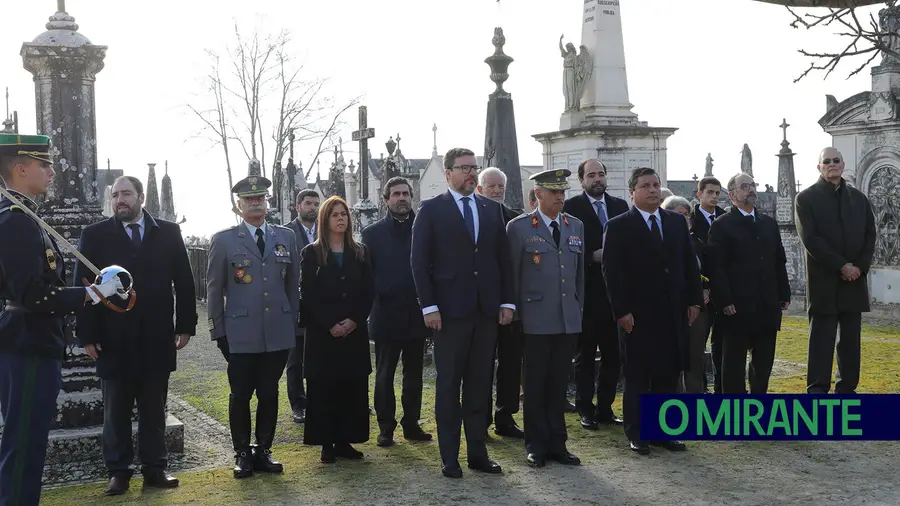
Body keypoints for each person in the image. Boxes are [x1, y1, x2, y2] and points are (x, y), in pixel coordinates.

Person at [0, 134, 122, 506]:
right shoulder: (17, 222)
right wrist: (93, 294)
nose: (53, 171)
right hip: (28, 345)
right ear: (20, 169)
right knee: (23, 445)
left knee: (28, 441)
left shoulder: (25, 216)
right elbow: (33, 295)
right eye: (44, 164)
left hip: (31, 343)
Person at [75, 175, 197, 495]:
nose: (120, 201)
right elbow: (84, 288)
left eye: (126, 194)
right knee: (115, 410)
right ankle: (118, 472)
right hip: (113, 339)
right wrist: (87, 335)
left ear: (141, 197)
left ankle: (155, 469)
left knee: (153, 407)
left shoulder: (168, 232)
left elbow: (184, 281)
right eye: (115, 196)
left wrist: (185, 325)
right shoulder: (95, 235)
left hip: (157, 336)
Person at [410, 147, 514, 478]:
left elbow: (503, 260)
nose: (471, 173)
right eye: (464, 168)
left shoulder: (490, 209)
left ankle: (477, 455)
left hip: (486, 312)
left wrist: (507, 302)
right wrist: (429, 307)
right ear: (449, 173)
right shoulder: (431, 210)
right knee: (449, 385)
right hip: (448, 314)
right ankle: (449, 457)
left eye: (474, 167)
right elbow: (418, 263)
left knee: (480, 384)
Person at [602, 167, 702, 455]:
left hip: (672, 312)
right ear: (632, 192)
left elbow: (688, 265)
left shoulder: (675, 222)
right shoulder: (619, 225)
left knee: (667, 375)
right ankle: (637, 433)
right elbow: (613, 273)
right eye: (645, 186)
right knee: (637, 375)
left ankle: (664, 432)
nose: (653, 190)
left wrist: (694, 301)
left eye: (656, 185)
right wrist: (621, 311)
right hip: (637, 314)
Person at [207, 172, 299, 478]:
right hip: (240, 333)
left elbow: (293, 285)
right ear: (239, 205)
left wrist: (292, 323)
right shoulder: (224, 241)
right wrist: (218, 331)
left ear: (267, 202)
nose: (255, 203)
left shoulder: (286, 237)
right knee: (241, 393)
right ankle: (243, 452)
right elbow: (214, 289)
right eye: (249, 199)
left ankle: (264, 451)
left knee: (270, 392)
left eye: (260, 198)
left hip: (277, 332)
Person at [507, 169, 584, 468]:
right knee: (536, 386)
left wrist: (579, 312)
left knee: (558, 386)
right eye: (554, 191)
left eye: (563, 191)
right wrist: (514, 316)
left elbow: (579, 280)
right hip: (535, 320)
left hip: (567, 320)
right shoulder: (520, 228)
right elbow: (513, 275)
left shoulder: (574, 225)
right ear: (538, 194)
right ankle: (536, 445)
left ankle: (558, 444)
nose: (560, 196)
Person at [795, 148, 876, 394]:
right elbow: (811, 239)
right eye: (826, 161)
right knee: (821, 340)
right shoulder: (806, 199)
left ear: (843, 164)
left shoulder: (859, 198)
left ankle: (847, 389)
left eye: (836, 160)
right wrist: (841, 265)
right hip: (824, 280)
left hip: (854, 281)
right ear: (818, 166)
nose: (832, 164)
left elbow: (870, 236)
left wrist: (859, 268)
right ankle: (817, 391)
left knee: (850, 342)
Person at [301, 196, 374, 462]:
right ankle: (326, 443)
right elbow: (308, 294)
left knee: (350, 387)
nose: (341, 218)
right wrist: (330, 323)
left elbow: (368, 291)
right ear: (324, 220)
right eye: (335, 214)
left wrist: (354, 320)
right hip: (324, 334)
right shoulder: (312, 253)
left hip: (353, 333)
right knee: (324, 388)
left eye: (344, 213)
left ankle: (345, 441)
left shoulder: (360, 252)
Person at [361, 177, 432, 447]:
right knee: (384, 375)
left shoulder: (424, 228)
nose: (401, 198)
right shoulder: (372, 234)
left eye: (405, 194)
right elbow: (368, 276)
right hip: (386, 316)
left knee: (414, 375)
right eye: (396, 194)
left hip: (417, 315)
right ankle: (385, 427)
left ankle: (412, 424)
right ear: (385, 199)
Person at [706, 173, 791, 394]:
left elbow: (779, 260)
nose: (751, 189)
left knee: (763, 364)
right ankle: (734, 414)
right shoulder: (722, 225)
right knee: (733, 366)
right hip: (737, 307)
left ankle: (758, 408)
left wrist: (784, 293)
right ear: (732, 195)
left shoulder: (768, 224)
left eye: (753, 185)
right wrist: (724, 300)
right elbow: (717, 267)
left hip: (766, 305)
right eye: (745, 186)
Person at [562, 159, 628, 429]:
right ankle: (585, 408)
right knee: (585, 356)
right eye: (591, 175)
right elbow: (567, 248)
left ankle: (605, 407)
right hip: (587, 295)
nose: (597, 179)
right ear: (582, 180)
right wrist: (592, 256)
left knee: (614, 356)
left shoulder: (620, 207)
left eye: (601, 174)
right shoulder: (571, 208)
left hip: (616, 294)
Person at [476, 166, 524, 439]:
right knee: (481, 366)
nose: (496, 191)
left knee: (510, 364)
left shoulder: (515, 221)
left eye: (500, 187)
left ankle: (505, 417)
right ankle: (479, 420)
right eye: (491, 186)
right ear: (480, 189)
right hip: (480, 306)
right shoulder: (471, 217)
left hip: (510, 306)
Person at [662, 196, 711, 394]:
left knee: (695, 357)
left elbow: (706, 269)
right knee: (671, 357)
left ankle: (695, 398)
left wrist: (706, 288)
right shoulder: (660, 240)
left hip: (696, 308)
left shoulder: (697, 242)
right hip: (669, 308)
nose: (684, 219)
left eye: (686, 215)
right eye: (678, 215)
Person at [284, 188, 320, 423]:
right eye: (308, 203)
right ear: (298, 207)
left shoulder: (326, 229)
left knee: (319, 355)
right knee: (295, 357)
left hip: (321, 302)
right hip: (295, 302)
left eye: (316, 204)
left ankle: (320, 400)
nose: (313, 208)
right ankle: (299, 404)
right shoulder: (286, 233)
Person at [691, 176, 726, 393]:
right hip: (700, 293)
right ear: (700, 194)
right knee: (697, 345)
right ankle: (700, 390)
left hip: (723, 293)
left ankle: (722, 389)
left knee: (722, 345)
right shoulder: (690, 220)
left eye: (717, 193)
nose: (714, 197)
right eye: (709, 192)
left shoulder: (725, 218)